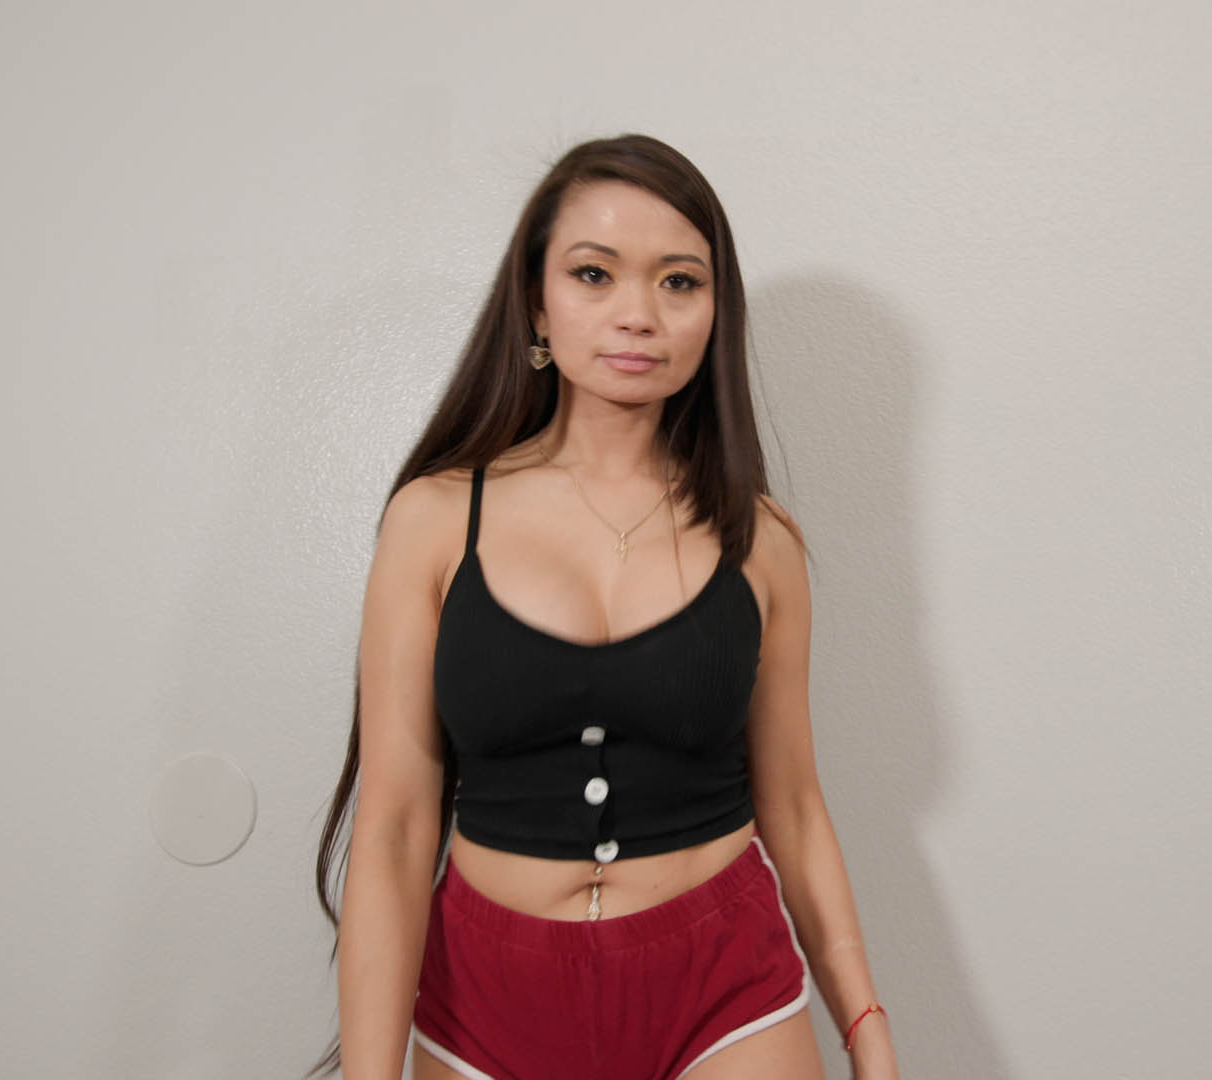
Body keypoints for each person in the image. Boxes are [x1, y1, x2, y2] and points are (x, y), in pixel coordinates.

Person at [306, 134, 899, 1080]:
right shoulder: (432, 522)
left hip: (724, 991)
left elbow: (792, 804)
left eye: (679, 282)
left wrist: (867, 1028)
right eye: (594, 273)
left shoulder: (763, 543)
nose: (639, 315)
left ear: (715, 313)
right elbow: (396, 826)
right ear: (537, 302)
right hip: (486, 998)